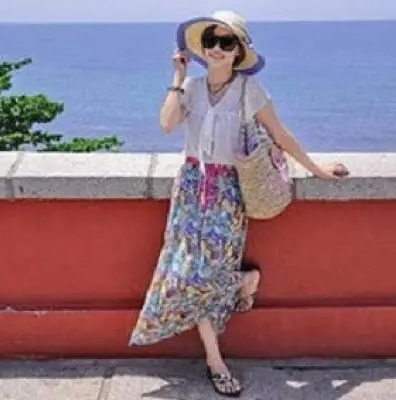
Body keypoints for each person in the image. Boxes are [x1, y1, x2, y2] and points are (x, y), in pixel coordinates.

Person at [129, 10, 349, 397]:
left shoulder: (250, 91)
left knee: (204, 276)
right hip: (191, 190)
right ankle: (240, 297)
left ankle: (217, 356)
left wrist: (317, 169)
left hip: (228, 193)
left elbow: (281, 135)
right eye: (210, 40)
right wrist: (177, 78)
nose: (216, 48)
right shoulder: (192, 88)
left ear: (239, 51)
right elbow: (166, 124)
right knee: (185, 274)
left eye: (226, 42)